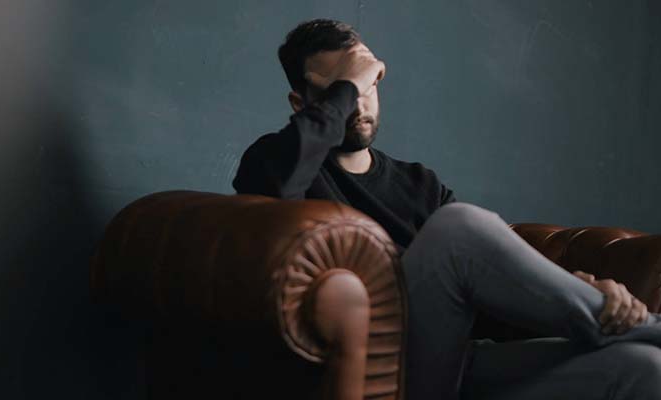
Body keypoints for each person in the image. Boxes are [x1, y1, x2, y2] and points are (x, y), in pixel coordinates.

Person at [232, 19, 661, 400]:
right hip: (380, 372)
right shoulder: (274, 162)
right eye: (341, 92)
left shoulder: (420, 183)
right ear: (300, 104)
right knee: (457, 226)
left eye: (367, 87)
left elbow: (488, 299)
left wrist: (571, 290)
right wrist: (348, 84)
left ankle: (622, 325)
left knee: (643, 368)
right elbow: (274, 191)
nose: (358, 105)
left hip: (455, 365)